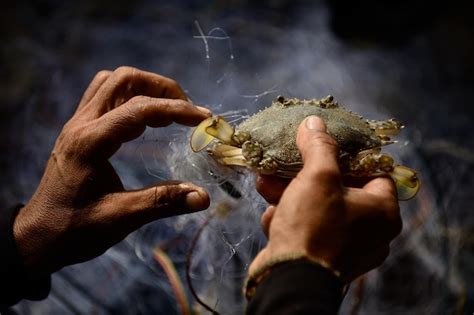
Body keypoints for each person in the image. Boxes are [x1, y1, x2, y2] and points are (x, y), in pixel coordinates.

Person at [0, 67, 402, 314]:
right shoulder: (240, 142)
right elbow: (211, 139)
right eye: (287, 105)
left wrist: (19, 244)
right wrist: (304, 271)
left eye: (322, 107)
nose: (308, 113)